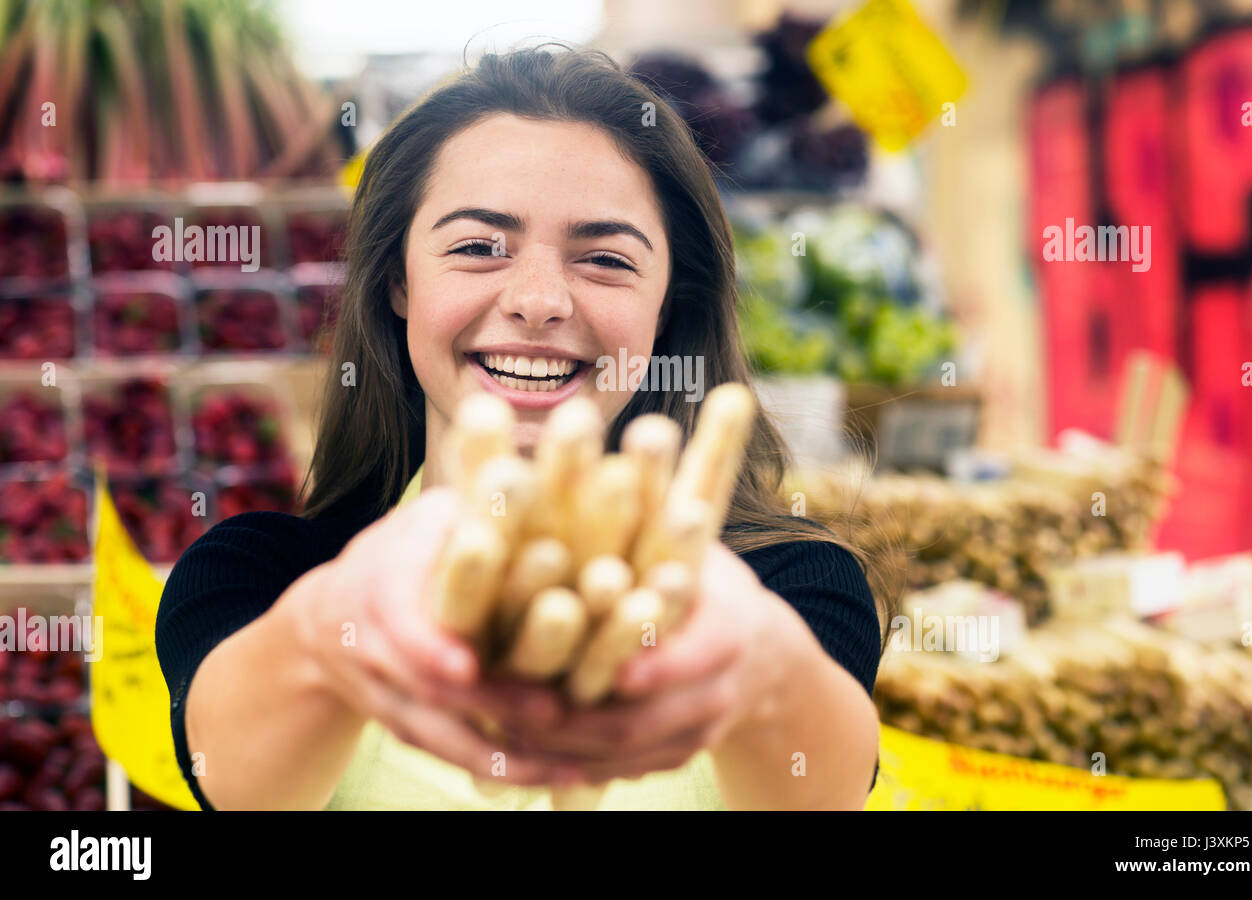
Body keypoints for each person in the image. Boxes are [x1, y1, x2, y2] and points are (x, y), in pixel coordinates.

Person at [157, 45, 891, 810]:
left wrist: (766, 668)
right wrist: (325, 634)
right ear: (397, 282)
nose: (539, 300)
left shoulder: (792, 585)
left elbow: (820, 794)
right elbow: (235, 782)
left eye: (605, 259)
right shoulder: (264, 573)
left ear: (667, 305)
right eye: (477, 247)